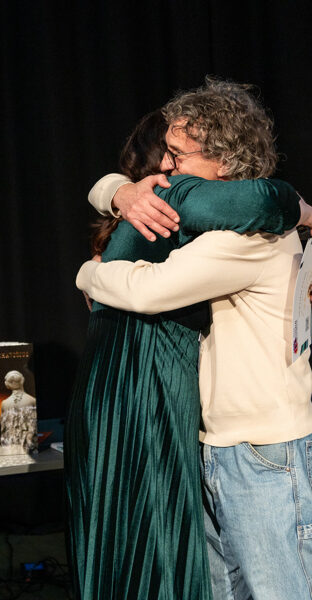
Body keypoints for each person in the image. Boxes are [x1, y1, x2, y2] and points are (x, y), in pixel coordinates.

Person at [66, 100, 312, 599]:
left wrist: (89, 273)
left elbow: (147, 289)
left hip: (261, 449)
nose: (167, 165)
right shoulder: (231, 224)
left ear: (226, 161)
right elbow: (123, 190)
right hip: (231, 443)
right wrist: (117, 191)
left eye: (179, 154)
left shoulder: (248, 236)